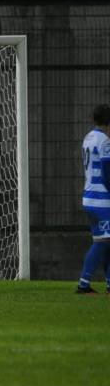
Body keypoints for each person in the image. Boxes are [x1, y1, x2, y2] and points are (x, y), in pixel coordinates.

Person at [75, 104, 110, 294]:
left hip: (89, 197)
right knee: (102, 242)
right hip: (102, 199)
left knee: (105, 240)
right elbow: (107, 171)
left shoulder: (88, 137)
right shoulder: (105, 141)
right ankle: (83, 283)